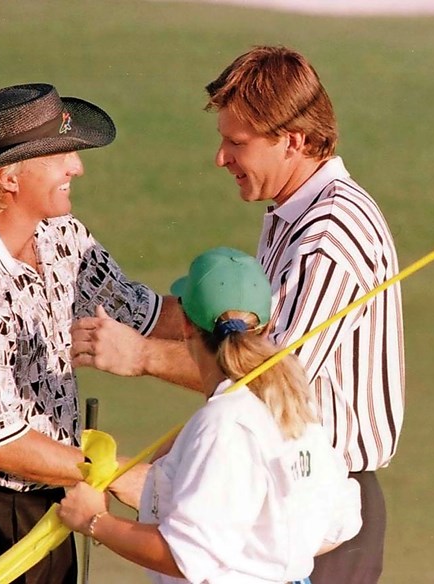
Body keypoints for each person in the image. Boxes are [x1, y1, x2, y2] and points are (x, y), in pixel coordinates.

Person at [71, 46, 405, 583]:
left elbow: (270, 377)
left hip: (319, 508)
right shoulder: (294, 211)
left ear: (292, 141)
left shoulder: (327, 237)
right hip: (283, 492)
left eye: (237, 142)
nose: (221, 157)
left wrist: (139, 356)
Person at [0, 83, 174, 584]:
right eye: (59, 155)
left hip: (50, 501)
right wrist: (117, 474)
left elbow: (147, 315)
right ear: (8, 176)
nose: (77, 167)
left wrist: (240, 326)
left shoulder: (62, 236)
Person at [59, 247, 362, 584]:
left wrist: (93, 520)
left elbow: (188, 556)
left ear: (186, 325)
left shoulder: (224, 423)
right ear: (267, 325)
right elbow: (335, 522)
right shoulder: (293, 406)